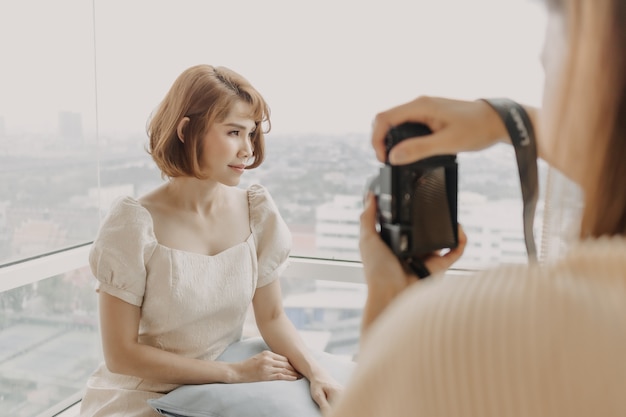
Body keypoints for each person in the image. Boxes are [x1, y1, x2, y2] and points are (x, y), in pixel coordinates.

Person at [329, 0, 626, 416]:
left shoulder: (469, 330)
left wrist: (389, 302)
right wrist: (503, 120)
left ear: (599, 54)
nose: (543, 56)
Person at [79, 64, 341, 417]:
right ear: (187, 130)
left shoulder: (256, 211)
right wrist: (233, 374)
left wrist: (318, 374)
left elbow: (274, 315)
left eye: (251, 134)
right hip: (147, 395)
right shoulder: (134, 224)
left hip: (224, 385)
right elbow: (121, 354)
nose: (248, 150)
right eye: (234, 132)